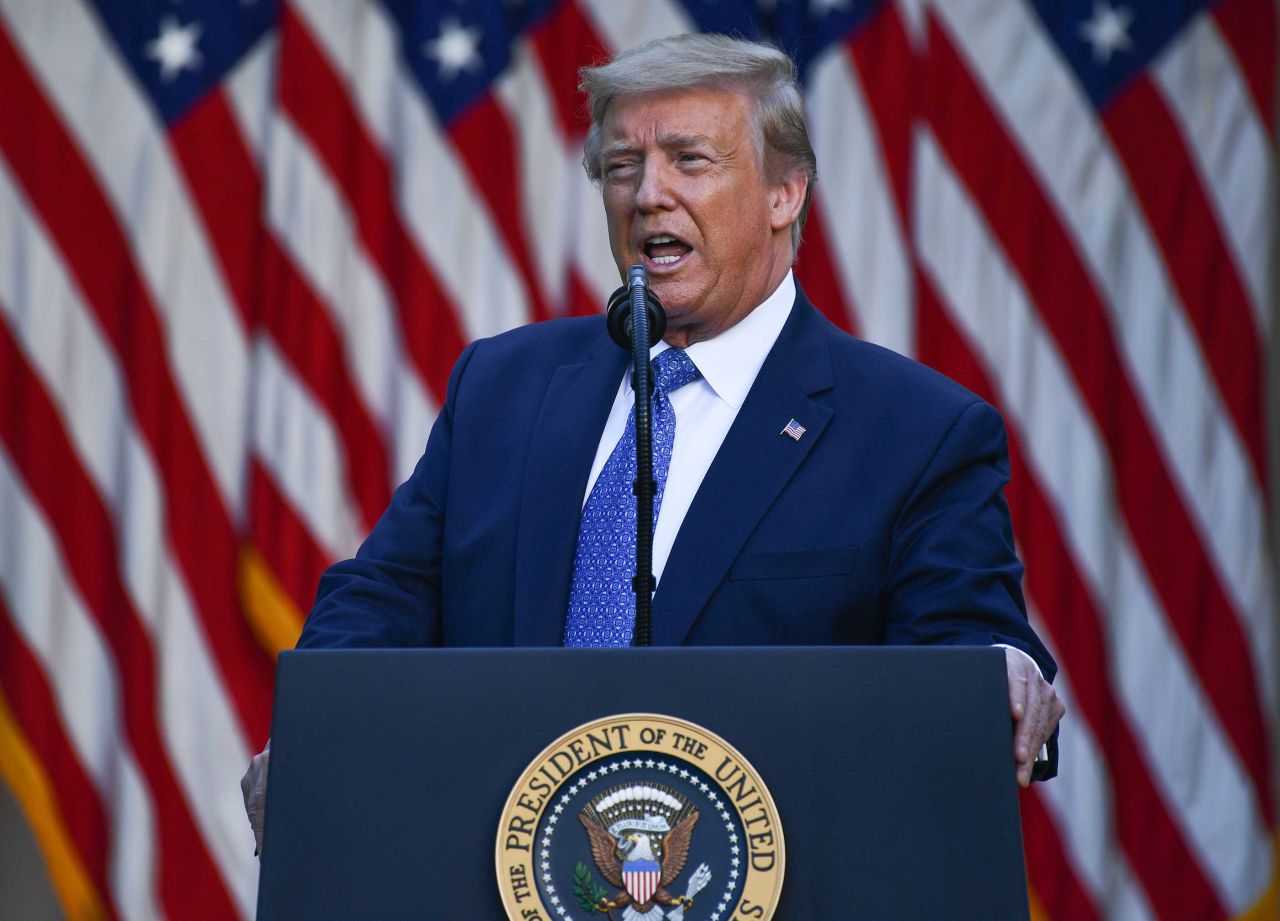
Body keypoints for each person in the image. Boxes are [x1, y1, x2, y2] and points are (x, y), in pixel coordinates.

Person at [242, 32, 1063, 853]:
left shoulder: (914, 430)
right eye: (623, 166)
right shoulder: (502, 388)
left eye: (690, 160)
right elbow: (383, 595)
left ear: (786, 192)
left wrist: (999, 670)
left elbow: (971, 646)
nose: (648, 195)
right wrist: (325, 725)